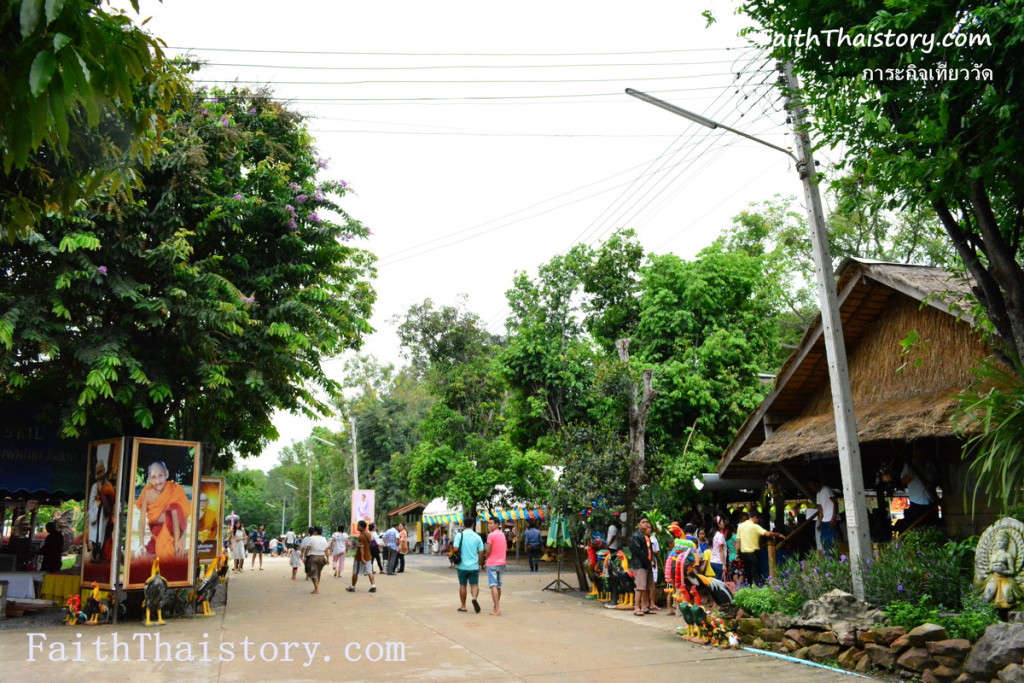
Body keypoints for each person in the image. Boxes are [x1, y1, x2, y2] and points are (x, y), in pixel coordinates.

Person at [135, 460, 191, 561]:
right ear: (149, 478)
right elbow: (142, 521)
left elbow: (184, 516)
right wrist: (141, 544)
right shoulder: (147, 493)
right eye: (153, 477)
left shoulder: (175, 490)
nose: (157, 481)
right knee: (143, 558)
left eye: (160, 475)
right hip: (156, 531)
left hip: (175, 533)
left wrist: (183, 538)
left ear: (167, 474)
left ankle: (176, 549)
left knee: (174, 507)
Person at [737, 511, 784, 587]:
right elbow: (768, 534)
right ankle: (758, 588)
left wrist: (737, 554)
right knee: (756, 573)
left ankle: (749, 587)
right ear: (755, 518)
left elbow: (738, 541)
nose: (758, 521)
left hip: (744, 553)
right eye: (758, 519)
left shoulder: (740, 526)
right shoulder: (755, 526)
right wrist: (778, 534)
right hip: (753, 553)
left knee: (748, 573)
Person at [454, 516, 486, 613]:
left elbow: (455, 548)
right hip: (474, 565)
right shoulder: (477, 537)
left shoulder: (460, 535)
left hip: (462, 565)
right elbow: (481, 552)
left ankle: (463, 606)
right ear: (473, 524)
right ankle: (474, 597)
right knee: (474, 584)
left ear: (463, 524)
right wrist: (480, 564)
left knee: (462, 585)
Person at [899, 453, 939, 530]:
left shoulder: (930, 465)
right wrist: (911, 475)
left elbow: (936, 479)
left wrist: (931, 485)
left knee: (932, 526)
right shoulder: (909, 465)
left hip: (930, 499)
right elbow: (903, 481)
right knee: (919, 528)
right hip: (917, 501)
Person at [87, 459, 115, 564]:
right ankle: (95, 553)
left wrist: (101, 493)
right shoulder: (94, 487)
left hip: (106, 523)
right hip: (95, 520)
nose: (99, 476)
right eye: (97, 473)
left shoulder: (108, 487)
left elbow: (108, 510)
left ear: (104, 471)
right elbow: (90, 505)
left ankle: (100, 555)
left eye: (101, 472)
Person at [628, 516, 655, 616]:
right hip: (640, 564)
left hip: (647, 564)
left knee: (647, 587)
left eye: (647, 522)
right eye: (643, 522)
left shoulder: (646, 536)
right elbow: (638, 552)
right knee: (640, 587)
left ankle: (644, 607)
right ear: (638, 524)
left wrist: (651, 561)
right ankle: (636, 607)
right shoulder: (636, 536)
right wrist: (648, 562)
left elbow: (649, 551)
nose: (646, 524)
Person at [483, 518, 507, 616]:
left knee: (493, 585)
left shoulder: (491, 536)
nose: (489, 525)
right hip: (501, 562)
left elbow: (488, 550)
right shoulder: (502, 535)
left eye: (491, 523)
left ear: (496, 524)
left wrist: (485, 560)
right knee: (498, 586)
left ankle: (497, 608)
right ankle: (495, 606)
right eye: (488, 523)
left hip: (492, 563)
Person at [347, 520, 377, 593]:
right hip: (368, 556)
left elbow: (362, 548)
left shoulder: (361, 536)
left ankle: (353, 586)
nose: (357, 527)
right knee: (370, 571)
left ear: (362, 527)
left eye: (358, 526)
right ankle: (373, 585)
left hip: (359, 557)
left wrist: (362, 558)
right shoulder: (369, 534)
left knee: (355, 572)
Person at [810, 480, 839, 552]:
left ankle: (831, 558)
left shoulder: (826, 489)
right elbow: (820, 509)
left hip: (830, 518)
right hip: (824, 519)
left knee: (829, 540)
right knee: (823, 540)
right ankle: (828, 557)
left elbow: (835, 502)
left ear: (816, 484)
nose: (811, 487)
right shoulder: (818, 494)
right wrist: (819, 522)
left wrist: (834, 517)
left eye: (811, 485)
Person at [302, 526, 330, 594]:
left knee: (312, 573)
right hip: (322, 557)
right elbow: (326, 550)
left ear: (316, 531)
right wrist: (328, 559)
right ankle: (316, 587)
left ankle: (316, 588)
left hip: (313, 557)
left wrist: (305, 557)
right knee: (318, 572)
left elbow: (308, 548)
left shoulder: (311, 538)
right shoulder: (324, 539)